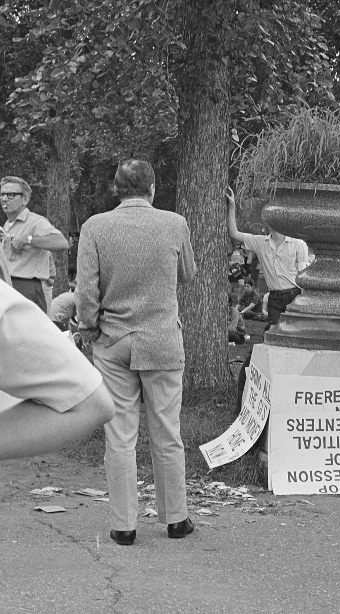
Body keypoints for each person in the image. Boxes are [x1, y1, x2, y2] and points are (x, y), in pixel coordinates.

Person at [75, 160, 198, 547]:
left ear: (116, 188)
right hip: (161, 338)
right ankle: (176, 517)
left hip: (113, 339)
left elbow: (86, 289)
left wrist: (88, 328)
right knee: (167, 432)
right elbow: (188, 275)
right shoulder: (175, 223)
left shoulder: (94, 227)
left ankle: (123, 525)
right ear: (152, 188)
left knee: (120, 436)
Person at [0, 279, 115, 461]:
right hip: (55, 318)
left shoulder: (68, 296)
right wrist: (87, 332)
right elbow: (96, 405)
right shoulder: (74, 298)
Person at [226, 188, 309, 330]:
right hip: (274, 298)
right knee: (272, 331)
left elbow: (303, 277)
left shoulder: (298, 244)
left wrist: (303, 301)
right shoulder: (260, 243)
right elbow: (233, 233)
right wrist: (232, 206)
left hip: (294, 296)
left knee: (293, 333)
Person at [0, 176, 69, 311]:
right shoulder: (7, 224)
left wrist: (28, 239)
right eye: (2, 194)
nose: (4, 199)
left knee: (27, 331)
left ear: (25, 199)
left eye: (11, 195)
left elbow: (62, 243)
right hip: (7, 287)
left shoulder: (36, 221)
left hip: (27, 289)